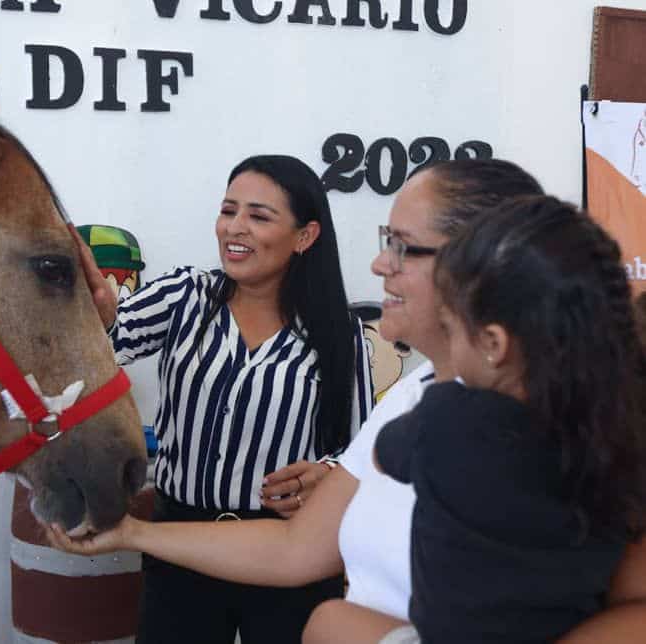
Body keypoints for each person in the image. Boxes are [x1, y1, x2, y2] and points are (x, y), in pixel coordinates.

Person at [49, 158, 646, 643]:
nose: (380, 264)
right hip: (192, 542)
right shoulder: (416, 393)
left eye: (404, 246)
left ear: (484, 265)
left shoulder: (583, 412)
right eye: (229, 210)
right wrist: (130, 533)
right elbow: (296, 549)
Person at [71, 154, 373, 643]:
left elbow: (360, 452)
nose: (235, 228)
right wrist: (97, 319)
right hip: (179, 546)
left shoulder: (341, 335)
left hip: (284, 553)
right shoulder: (184, 297)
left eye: (259, 216)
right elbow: (112, 340)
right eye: (228, 210)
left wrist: (328, 476)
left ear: (305, 237)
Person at [345, 196, 646, 643]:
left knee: (327, 623)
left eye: (451, 326)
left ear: (493, 343)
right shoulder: (614, 434)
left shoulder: (443, 415)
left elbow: (385, 454)